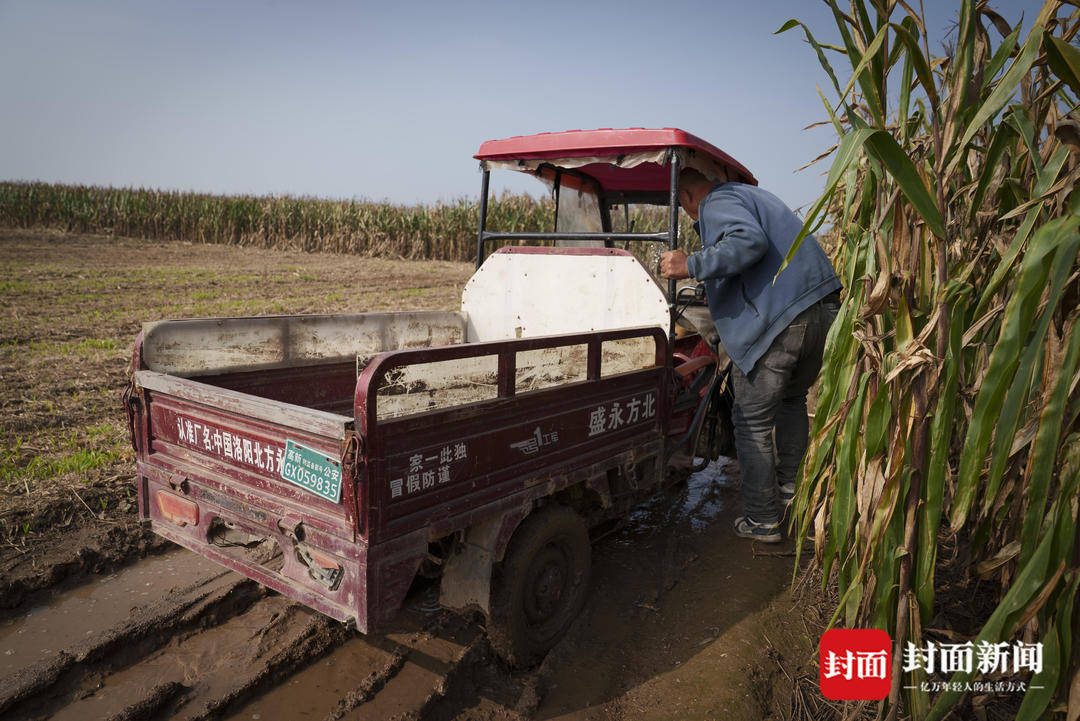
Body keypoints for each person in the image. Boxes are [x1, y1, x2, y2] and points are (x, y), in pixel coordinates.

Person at [660, 168, 841, 543]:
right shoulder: (751, 197)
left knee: (751, 421)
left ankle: (763, 520)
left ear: (689, 198)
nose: (693, 216)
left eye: (686, 207)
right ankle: (792, 490)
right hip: (822, 311)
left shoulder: (717, 201)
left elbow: (748, 242)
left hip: (782, 318)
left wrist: (691, 264)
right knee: (791, 400)